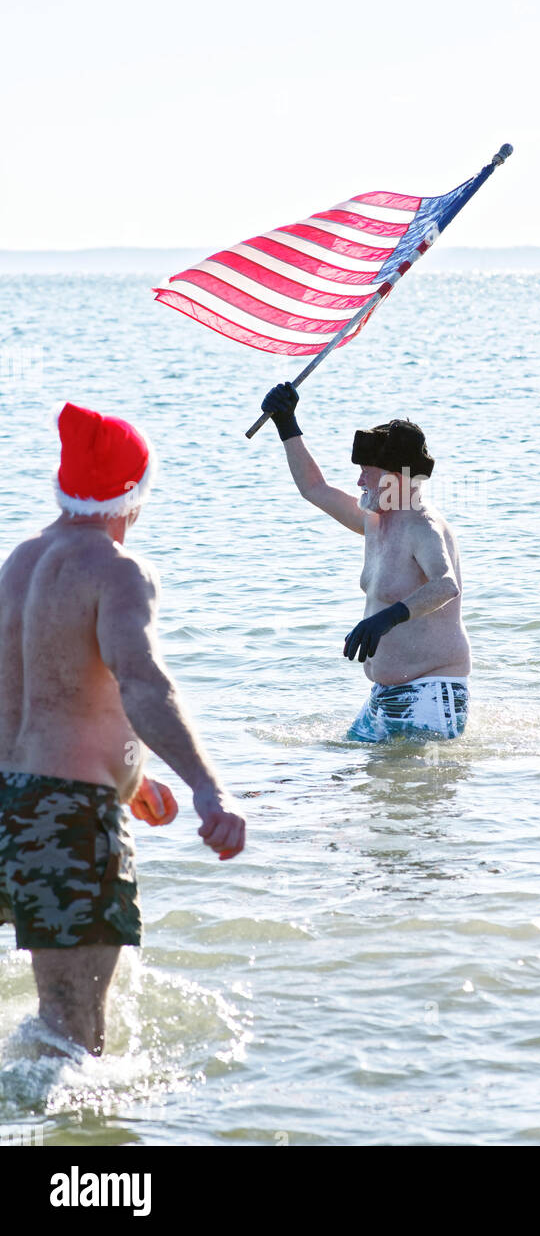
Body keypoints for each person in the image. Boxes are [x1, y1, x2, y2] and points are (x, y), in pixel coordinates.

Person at [0, 403, 245, 1057]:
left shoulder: (16, 566)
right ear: (134, 495)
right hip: (68, 817)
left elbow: (43, 704)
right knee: (72, 1034)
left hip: (5, 801)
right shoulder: (117, 570)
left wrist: (132, 772)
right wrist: (206, 787)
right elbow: (141, 682)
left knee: (58, 1027)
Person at [260, 381, 471, 743]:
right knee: (343, 779)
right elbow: (315, 489)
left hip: (433, 693)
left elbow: (445, 585)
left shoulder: (423, 525)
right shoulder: (376, 521)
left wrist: (388, 617)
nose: (358, 482)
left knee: (399, 794)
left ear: (394, 477)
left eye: (366, 473)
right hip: (383, 695)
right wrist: (287, 424)